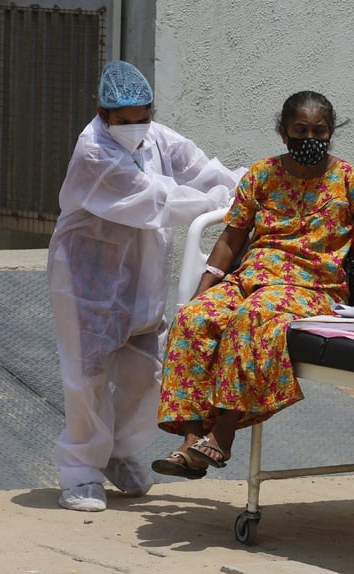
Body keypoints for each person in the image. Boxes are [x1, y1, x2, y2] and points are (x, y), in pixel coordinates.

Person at [151, 91, 354, 479]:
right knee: (194, 319)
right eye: (300, 130)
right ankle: (189, 441)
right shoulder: (263, 175)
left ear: (331, 133)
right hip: (252, 278)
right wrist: (203, 290)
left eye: (319, 131)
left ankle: (222, 434)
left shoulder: (351, 181)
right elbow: (231, 239)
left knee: (253, 317)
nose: (309, 138)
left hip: (313, 287)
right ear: (283, 132)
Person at [48, 60, 242, 512]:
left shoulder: (157, 137)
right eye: (124, 120)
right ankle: (80, 473)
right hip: (88, 279)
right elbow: (153, 199)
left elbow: (200, 168)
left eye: (142, 117)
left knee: (149, 376)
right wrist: (216, 203)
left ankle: (116, 453)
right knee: (87, 377)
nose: (134, 127)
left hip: (144, 276)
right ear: (103, 113)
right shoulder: (93, 150)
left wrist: (243, 187)